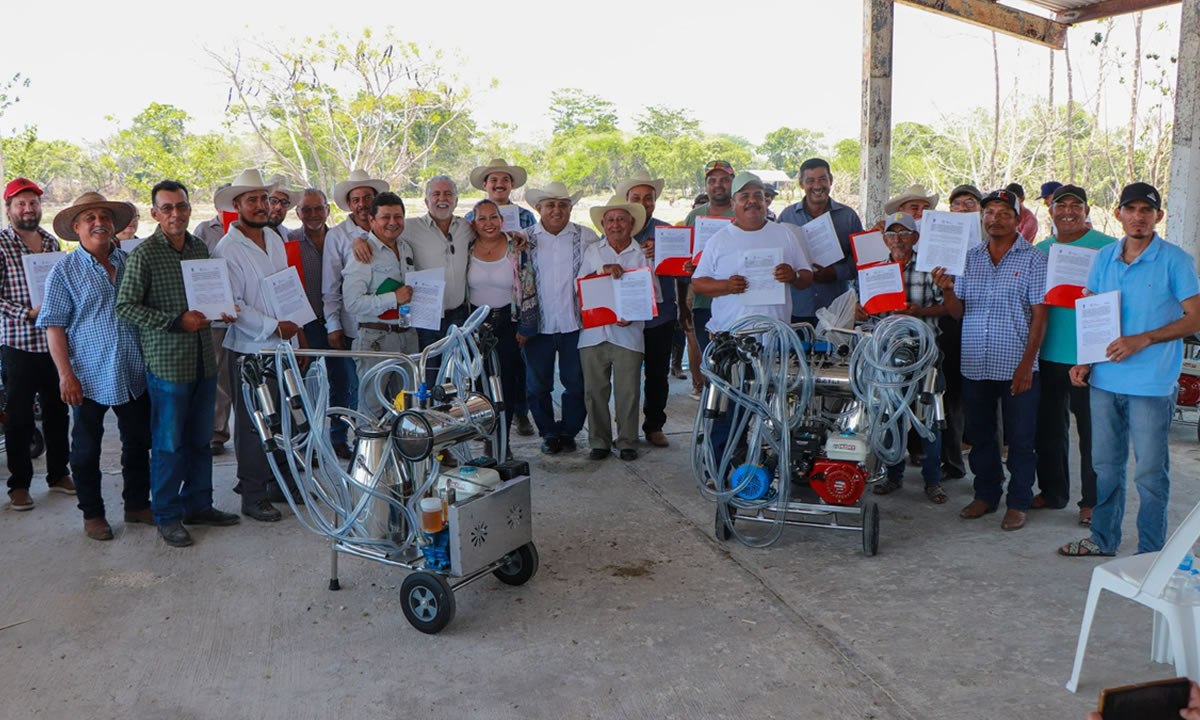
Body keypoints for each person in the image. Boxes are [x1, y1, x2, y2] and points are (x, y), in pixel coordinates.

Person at [1059, 183, 1200, 557]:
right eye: (1131, 209)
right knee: (1106, 466)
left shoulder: (1175, 260)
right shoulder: (1104, 258)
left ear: (1158, 216)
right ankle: (1103, 540)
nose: (1138, 217)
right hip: (1105, 380)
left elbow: (1195, 318)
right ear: (1119, 213)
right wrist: (1085, 359)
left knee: (1150, 474)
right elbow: (1093, 312)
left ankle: (1152, 553)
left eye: (1146, 210)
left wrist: (1145, 339)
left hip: (1152, 385)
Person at [116, 180, 240, 547]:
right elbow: (125, 307)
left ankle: (199, 504)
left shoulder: (200, 247)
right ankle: (168, 515)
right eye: (167, 208)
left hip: (203, 361)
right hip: (168, 365)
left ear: (189, 208)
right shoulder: (144, 254)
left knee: (201, 440)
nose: (175, 214)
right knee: (169, 445)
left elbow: (211, 294)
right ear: (154, 213)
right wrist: (175, 320)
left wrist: (223, 310)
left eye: (181, 206)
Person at [932, 188, 1047, 532]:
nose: (996, 220)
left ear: (1018, 218)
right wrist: (948, 290)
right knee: (981, 435)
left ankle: (1018, 501)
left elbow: (1040, 316)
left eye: (1004, 213)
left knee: (1021, 438)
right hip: (976, 362)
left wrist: (1028, 364)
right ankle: (986, 494)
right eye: (990, 213)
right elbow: (958, 312)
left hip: (1016, 363)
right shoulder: (970, 257)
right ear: (982, 218)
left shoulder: (1033, 259)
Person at [39, 193, 150, 540]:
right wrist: (65, 375)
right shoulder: (64, 271)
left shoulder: (131, 262)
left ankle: (136, 505)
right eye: (89, 217)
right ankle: (93, 513)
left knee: (137, 443)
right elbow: (54, 326)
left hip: (133, 372)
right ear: (76, 227)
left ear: (115, 224)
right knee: (86, 449)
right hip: (87, 376)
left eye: (104, 215)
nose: (98, 222)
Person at [692, 171, 813, 458]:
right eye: (744, 197)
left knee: (775, 407)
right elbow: (699, 282)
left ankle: (768, 464)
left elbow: (807, 276)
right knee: (726, 408)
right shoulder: (720, 240)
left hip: (775, 340)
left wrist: (794, 275)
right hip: (732, 341)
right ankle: (720, 465)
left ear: (766, 201)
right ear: (733, 203)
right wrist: (726, 286)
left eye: (757, 196)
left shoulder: (784, 233)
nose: (752, 202)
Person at [213, 169, 304, 523]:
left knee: (285, 416)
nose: (261, 205)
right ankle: (252, 493)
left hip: (282, 344)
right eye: (252, 200)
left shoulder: (275, 238)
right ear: (237, 206)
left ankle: (279, 484)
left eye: (264, 199)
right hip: (251, 347)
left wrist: (294, 330)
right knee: (254, 423)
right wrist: (273, 327)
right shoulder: (227, 249)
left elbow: (285, 286)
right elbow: (234, 306)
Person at [1032, 185, 1117, 527]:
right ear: (1050, 211)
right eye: (1060, 205)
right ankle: (1053, 492)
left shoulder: (1108, 247)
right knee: (1048, 429)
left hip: (1091, 356)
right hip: (1049, 353)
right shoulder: (1041, 250)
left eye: (1075, 205)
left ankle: (1092, 501)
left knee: (1092, 433)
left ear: (1086, 210)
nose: (1067, 211)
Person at [862, 212, 948, 504]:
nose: (897, 240)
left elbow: (946, 308)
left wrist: (919, 313)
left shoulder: (929, 270)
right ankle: (893, 475)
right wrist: (860, 310)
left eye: (904, 234)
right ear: (884, 239)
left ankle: (933, 481)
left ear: (916, 237)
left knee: (929, 417)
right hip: (885, 355)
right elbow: (860, 308)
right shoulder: (872, 271)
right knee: (889, 414)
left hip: (923, 353)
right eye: (892, 234)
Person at [0, 177, 73, 511]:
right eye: (21, 204)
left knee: (59, 411)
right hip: (18, 343)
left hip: (52, 342)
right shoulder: (1, 244)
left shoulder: (51, 242)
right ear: (9, 209)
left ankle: (58, 475)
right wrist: (26, 312)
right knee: (19, 417)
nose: (28, 209)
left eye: (33, 203)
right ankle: (19, 485)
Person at [519, 181, 600, 455]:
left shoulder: (587, 236)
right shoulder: (523, 238)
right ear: (539, 208)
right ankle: (548, 432)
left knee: (576, 382)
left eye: (563, 205)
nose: (556, 210)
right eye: (550, 205)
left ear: (570, 208)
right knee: (537, 384)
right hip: (537, 326)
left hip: (574, 324)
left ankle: (569, 431)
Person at [466, 159, 537, 438]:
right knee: (478, 382)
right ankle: (484, 436)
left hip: (508, 320)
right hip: (473, 323)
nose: (488, 222)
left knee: (510, 378)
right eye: (482, 219)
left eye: (493, 218)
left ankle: (509, 429)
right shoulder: (466, 237)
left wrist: (527, 324)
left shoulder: (519, 238)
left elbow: (529, 282)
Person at [579, 196, 651, 462]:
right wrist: (602, 269)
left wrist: (632, 315)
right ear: (602, 224)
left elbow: (650, 293)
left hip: (628, 334)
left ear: (631, 223)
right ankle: (599, 441)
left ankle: (628, 441)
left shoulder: (642, 253)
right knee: (594, 391)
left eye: (621, 219)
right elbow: (581, 284)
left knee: (628, 392)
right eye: (610, 220)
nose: (616, 224)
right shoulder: (593, 252)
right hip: (593, 333)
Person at [322, 169, 388, 458]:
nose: (362, 203)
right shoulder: (337, 236)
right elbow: (330, 285)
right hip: (353, 326)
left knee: (382, 388)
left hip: (387, 325)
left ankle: (381, 441)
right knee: (350, 386)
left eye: (367, 198)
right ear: (349, 204)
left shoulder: (388, 228)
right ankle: (341, 438)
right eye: (356, 199)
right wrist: (333, 324)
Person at [287, 189, 353, 451]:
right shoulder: (290, 241)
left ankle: (338, 439)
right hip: (306, 325)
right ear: (298, 213)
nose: (313, 215)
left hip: (338, 321)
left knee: (343, 383)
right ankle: (307, 444)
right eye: (307, 210)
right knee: (306, 387)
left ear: (328, 210)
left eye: (318, 208)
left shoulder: (340, 238)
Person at [343, 192, 417, 413]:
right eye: (385, 217)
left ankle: (400, 449)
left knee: (408, 407)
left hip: (407, 335)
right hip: (376, 339)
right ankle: (368, 450)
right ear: (372, 221)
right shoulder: (363, 254)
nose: (392, 223)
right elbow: (352, 303)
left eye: (398, 216)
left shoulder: (405, 248)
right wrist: (394, 298)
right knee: (371, 410)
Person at [617, 170, 674, 448]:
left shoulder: (668, 232)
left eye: (648, 198)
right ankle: (624, 429)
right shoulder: (615, 226)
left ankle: (654, 426)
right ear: (627, 200)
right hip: (624, 318)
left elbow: (683, 272)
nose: (643, 202)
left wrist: (664, 252)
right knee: (625, 377)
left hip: (659, 317)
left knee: (657, 375)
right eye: (636, 197)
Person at [400, 176, 473, 378]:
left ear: (456, 201)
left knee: (456, 377)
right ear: (426, 201)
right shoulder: (409, 227)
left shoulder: (466, 227)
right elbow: (379, 231)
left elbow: (491, 234)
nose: (443, 198)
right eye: (436, 194)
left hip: (458, 315)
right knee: (428, 375)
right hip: (425, 317)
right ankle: (430, 411)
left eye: (448, 194)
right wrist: (360, 241)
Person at [778, 157, 864, 325]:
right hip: (797, 307)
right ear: (801, 184)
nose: (817, 186)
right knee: (797, 351)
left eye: (822, 179)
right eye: (810, 181)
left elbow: (860, 260)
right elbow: (778, 256)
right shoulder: (786, 217)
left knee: (836, 352)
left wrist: (836, 273)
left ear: (830, 181)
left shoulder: (848, 216)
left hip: (835, 307)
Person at [938, 183, 983, 481]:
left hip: (984, 324)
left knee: (984, 400)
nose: (964, 208)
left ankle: (987, 471)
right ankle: (953, 464)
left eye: (971, 203)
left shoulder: (992, 241)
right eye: (958, 204)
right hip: (951, 325)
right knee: (951, 396)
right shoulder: (938, 237)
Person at [682, 160, 736, 358]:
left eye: (724, 180)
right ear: (706, 186)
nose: (718, 185)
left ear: (733, 182)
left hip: (737, 301)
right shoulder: (694, 216)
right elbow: (684, 258)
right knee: (709, 361)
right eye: (712, 181)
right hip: (703, 302)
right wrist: (687, 267)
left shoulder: (742, 214)